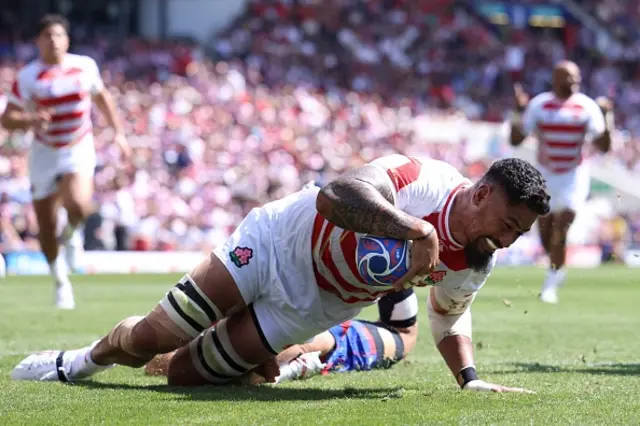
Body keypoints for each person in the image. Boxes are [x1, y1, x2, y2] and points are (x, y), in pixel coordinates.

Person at [11, 155, 549, 394]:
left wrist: (470, 381)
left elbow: (449, 321)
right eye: (506, 225)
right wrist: (417, 231)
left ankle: (230, 344)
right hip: (276, 242)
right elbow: (338, 195)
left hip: (309, 308)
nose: (506, 240)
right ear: (480, 194)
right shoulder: (423, 178)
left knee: (183, 376)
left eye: (518, 234)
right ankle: (75, 363)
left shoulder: (479, 259)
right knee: (154, 334)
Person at [0, 15, 130, 309]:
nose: (54, 40)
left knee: (80, 205)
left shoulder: (84, 66)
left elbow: (102, 98)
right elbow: (7, 118)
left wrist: (119, 134)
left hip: (77, 145)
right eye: (47, 35)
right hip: (45, 151)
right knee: (45, 224)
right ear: (38, 41)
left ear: (67, 40)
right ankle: (60, 281)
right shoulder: (29, 76)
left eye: (59, 35)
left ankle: (71, 235)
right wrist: (31, 119)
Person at [143, 288, 419, 383]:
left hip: (342, 336)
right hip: (345, 339)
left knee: (404, 337)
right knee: (404, 337)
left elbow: (317, 340)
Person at [509, 60, 613, 304]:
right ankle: (558, 267)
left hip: (573, 174)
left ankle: (550, 286)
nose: (574, 81)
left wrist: (608, 117)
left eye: (577, 77)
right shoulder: (539, 105)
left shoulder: (587, 106)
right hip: (545, 174)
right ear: (555, 78)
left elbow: (604, 146)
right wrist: (516, 111)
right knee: (545, 233)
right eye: (569, 77)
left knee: (562, 228)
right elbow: (516, 139)